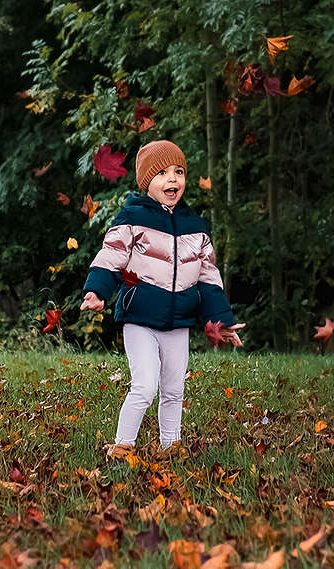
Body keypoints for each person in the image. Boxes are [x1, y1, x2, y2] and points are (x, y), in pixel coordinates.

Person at [80, 140, 245, 459]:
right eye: (163, 173)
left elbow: (208, 278)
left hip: (178, 324)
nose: (173, 179)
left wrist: (221, 319)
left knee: (174, 389)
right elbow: (111, 256)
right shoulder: (132, 218)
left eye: (179, 172)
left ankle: (171, 446)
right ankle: (123, 445)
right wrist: (97, 290)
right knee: (144, 386)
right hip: (140, 319)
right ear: (146, 182)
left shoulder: (195, 228)